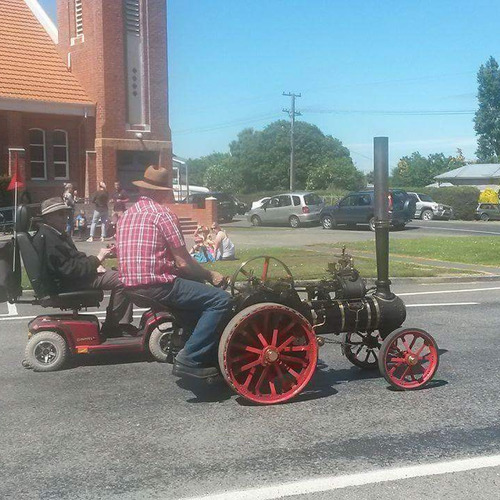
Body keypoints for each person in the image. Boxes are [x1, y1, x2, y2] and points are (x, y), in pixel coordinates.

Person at [116, 165, 232, 379]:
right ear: (161, 191)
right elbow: (184, 262)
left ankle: (187, 345)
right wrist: (210, 275)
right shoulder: (163, 215)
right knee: (220, 300)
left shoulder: (126, 215)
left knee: (196, 297)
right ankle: (189, 358)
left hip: (130, 287)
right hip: (156, 285)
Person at [33, 198, 134, 336]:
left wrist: (95, 265)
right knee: (123, 279)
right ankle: (114, 326)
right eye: (60, 214)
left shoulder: (54, 234)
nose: (66, 217)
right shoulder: (49, 239)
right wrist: (97, 260)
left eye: (66, 213)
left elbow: (74, 258)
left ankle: (118, 324)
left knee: (120, 274)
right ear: (48, 217)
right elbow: (69, 269)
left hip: (72, 279)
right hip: (69, 283)